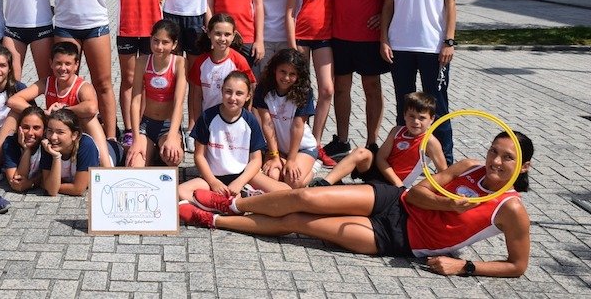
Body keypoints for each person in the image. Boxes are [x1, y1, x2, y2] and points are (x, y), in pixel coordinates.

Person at [181, 131, 534, 279]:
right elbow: (419, 192)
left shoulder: (510, 208)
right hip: (394, 200)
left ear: (523, 166)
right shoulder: (469, 165)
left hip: (399, 239)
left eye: (507, 158)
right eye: (494, 151)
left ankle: (209, 221)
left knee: (301, 221)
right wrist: (451, 205)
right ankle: (232, 204)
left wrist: (466, 267)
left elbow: (517, 266)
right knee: (305, 196)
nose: (496, 161)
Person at [300, 0, 397, 162]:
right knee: (341, 90)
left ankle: (372, 143)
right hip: (339, 36)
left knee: (372, 89)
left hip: (370, 37)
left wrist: (387, 16)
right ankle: (342, 140)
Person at [380, 0, 459, 164]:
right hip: (400, 46)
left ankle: (444, 160)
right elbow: (387, 6)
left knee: (438, 105)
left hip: (432, 47)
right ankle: (403, 157)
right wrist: (383, 39)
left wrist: (449, 40)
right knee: (404, 106)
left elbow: (450, 4)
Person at [44, 0, 119, 141]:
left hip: (95, 25)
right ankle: (65, 135)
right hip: (65, 26)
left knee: (103, 83)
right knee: (65, 82)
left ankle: (110, 137)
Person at [7, 41, 117, 167]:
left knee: (89, 119)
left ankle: (106, 167)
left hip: (76, 137)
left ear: (76, 65)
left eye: (68, 64)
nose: (63, 68)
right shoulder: (46, 82)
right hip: (55, 134)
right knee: (14, 112)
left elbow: (92, 108)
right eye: (58, 63)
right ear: (51, 64)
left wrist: (64, 110)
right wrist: (42, 113)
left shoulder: (83, 86)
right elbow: (12, 101)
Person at [177, 72, 286, 201]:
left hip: (244, 177)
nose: (233, 98)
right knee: (179, 191)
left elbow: (256, 160)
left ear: (247, 96)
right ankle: (233, 203)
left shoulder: (250, 121)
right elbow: (199, 156)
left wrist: (240, 182)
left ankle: (225, 201)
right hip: (214, 177)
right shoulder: (207, 117)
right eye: (228, 91)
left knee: (286, 192)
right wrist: (213, 182)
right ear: (222, 91)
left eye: (239, 93)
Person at [310, 92, 447, 188]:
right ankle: (325, 183)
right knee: (361, 152)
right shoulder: (397, 130)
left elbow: (445, 173)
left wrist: (401, 186)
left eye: (422, 118)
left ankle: (339, 191)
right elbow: (381, 158)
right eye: (411, 116)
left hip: (393, 185)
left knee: (357, 196)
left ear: (432, 119)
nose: (416, 121)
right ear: (404, 115)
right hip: (380, 172)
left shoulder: (430, 142)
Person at [114, 0, 168, 147]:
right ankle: (128, 128)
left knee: (145, 80)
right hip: (127, 28)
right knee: (127, 80)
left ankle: (142, 127)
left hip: (151, 30)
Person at [286, 0, 334, 165]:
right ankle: (297, 141)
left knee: (326, 90)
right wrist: (292, 44)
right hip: (302, 38)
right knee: (301, 91)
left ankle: (315, 143)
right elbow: (289, 12)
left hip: (325, 38)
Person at [253, 49, 320, 189]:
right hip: (278, 149)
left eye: (292, 74)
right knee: (272, 176)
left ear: (298, 76)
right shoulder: (263, 89)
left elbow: (298, 127)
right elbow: (267, 124)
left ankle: (313, 169)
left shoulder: (305, 93)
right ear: (274, 70)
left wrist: (291, 160)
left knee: (293, 181)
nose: (286, 78)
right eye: (282, 71)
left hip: (302, 148)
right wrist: (275, 156)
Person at [126, 19, 187, 167]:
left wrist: (172, 136)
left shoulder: (179, 63)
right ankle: (149, 154)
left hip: (168, 125)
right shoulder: (142, 62)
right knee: (134, 164)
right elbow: (135, 101)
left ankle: (159, 153)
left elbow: (179, 103)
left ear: (174, 44)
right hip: (146, 124)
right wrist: (135, 138)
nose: (159, 47)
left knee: (173, 157)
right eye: (155, 41)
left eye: (165, 42)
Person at [187, 13, 255, 133]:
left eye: (227, 34)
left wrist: (245, 117)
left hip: (233, 121)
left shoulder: (239, 61)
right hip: (208, 121)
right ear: (209, 34)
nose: (222, 39)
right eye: (218, 33)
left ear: (234, 35)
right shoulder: (201, 62)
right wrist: (198, 123)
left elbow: (250, 89)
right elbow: (196, 96)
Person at [40, 108, 106, 196]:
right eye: (50, 131)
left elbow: (78, 189)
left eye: (60, 132)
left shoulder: (86, 145)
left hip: (111, 153)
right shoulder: (47, 145)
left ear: (74, 135)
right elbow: (52, 191)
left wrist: (51, 185)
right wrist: (56, 157)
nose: (53, 137)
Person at [1, 106, 48, 192]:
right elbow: (17, 183)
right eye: (25, 127)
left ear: (44, 129)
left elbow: (46, 176)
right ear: (19, 128)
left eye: (36, 128)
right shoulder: (10, 142)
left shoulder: (47, 144)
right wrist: (27, 150)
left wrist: (31, 183)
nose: (30, 133)